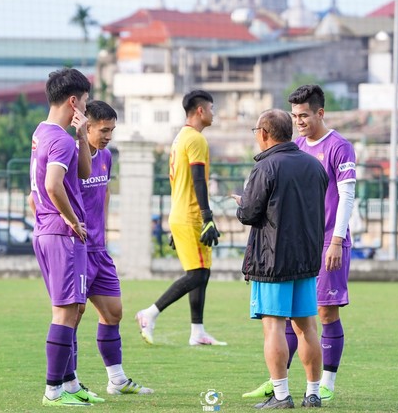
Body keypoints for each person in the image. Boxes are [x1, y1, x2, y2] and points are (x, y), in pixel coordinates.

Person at [243, 84, 357, 403]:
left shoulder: (339, 147)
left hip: (325, 242)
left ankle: (325, 384)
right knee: (298, 317)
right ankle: (285, 382)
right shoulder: (296, 148)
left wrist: (336, 239)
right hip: (303, 244)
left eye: (304, 115)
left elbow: (346, 194)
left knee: (323, 314)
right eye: (294, 116)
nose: (299, 122)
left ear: (320, 113)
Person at [233, 109, 328, 409]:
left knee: (273, 326)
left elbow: (250, 213)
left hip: (272, 260)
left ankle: (281, 395)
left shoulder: (266, 166)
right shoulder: (315, 166)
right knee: (307, 327)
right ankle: (313, 392)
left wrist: (242, 203)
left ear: (263, 133)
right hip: (307, 259)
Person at [29, 67, 98, 407]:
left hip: (47, 231)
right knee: (65, 311)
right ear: (74, 101)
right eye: (84, 104)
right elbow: (52, 185)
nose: (85, 110)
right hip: (62, 234)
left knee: (75, 308)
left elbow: (83, 173)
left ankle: (69, 383)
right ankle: (53, 390)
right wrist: (72, 221)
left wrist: (83, 134)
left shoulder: (45, 133)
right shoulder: (57, 138)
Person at [135, 90, 226, 347]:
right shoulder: (195, 139)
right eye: (211, 107)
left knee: (202, 273)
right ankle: (149, 313)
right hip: (190, 214)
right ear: (200, 111)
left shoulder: (180, 138)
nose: (213, 112)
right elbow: (198, 180)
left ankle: (197, 331)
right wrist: (207, 217)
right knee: (196, 274)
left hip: (182, 213)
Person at [76, 100, 153, 395]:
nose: (109, 135)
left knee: (113, 313)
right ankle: (68, 382)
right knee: (74, 314)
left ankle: (117, 380)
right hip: (78, 250)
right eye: (104, 129)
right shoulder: (73, 154)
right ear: (88, 126)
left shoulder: (106, 155)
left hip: (99, 249)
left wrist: (103, 231)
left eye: (112, 130)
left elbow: (104, 192)